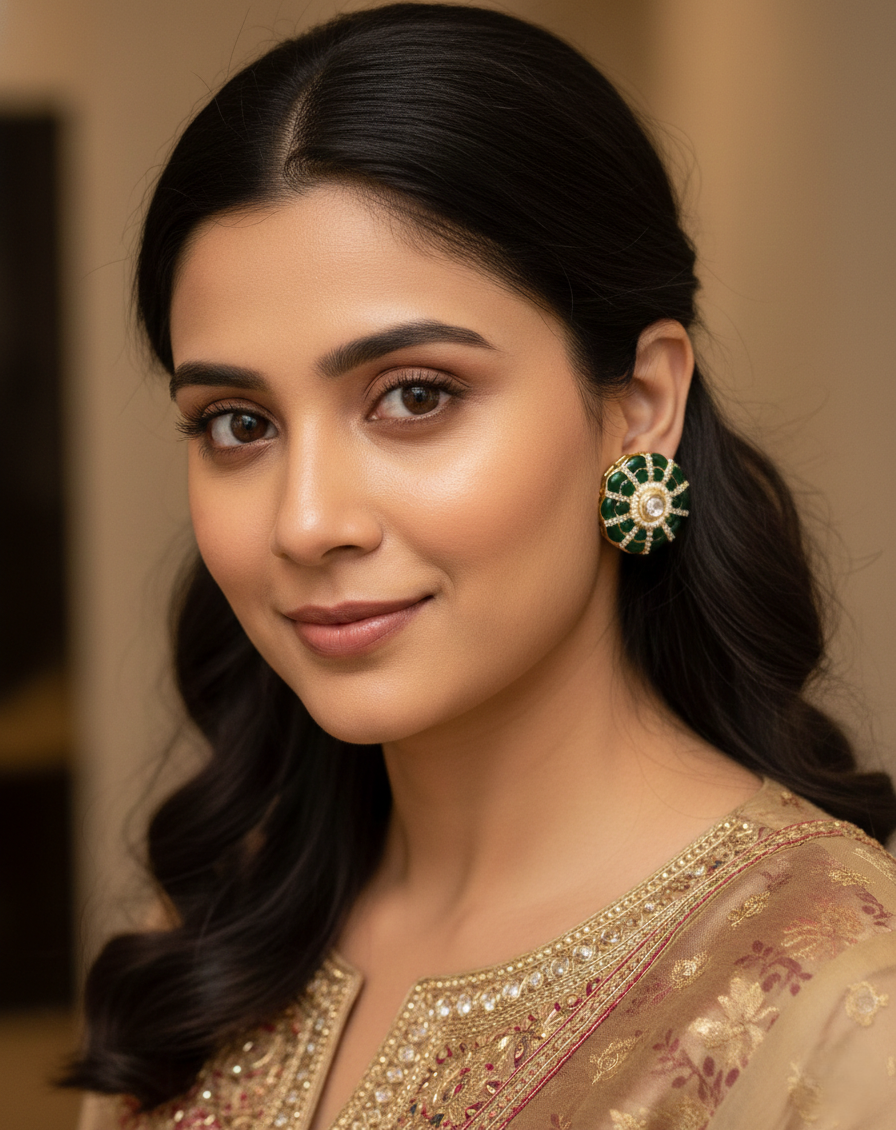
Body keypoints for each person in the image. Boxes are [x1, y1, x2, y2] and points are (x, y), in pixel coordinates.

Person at [70, 4, 896, 1127]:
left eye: (415, 395)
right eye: (237, 422)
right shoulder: (206, 941)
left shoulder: (843, 1006)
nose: (305, 522)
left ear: (641, 405)